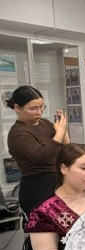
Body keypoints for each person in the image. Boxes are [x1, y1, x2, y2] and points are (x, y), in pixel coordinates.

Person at [7, 86, 70, 214]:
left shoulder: (45, 123)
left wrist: (63, 129)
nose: (39, 112)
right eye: (33, 108)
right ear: (17, 108)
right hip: (38, 188)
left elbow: (66, 148)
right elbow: (43, 157)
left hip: (58, 183)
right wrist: (59, 132)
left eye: (42, 107)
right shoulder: (18, 133)